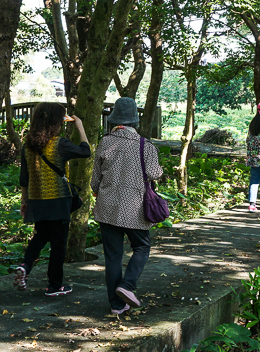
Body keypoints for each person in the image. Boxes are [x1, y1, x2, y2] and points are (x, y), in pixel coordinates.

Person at [91, 97, 163, 315]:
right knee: (141, 247)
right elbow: (154, 173)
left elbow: (95, 181)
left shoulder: (105, 142)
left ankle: (116, 305)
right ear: (135, 120)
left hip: (107, 208)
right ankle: (128, 285)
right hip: (135, 208)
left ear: (115, 120)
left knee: (112, 256)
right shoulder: (145, 145)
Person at [15, 103, 91, 296]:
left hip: (37, 199)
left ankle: (25, 265)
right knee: (58, 244)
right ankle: (55, 286)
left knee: (41, 236)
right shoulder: (60, 144)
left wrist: (24, 201)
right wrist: (80, 126)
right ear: (56, 122)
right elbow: (85, 151)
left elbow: (24, 177)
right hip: (58, 200)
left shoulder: (28, 146)